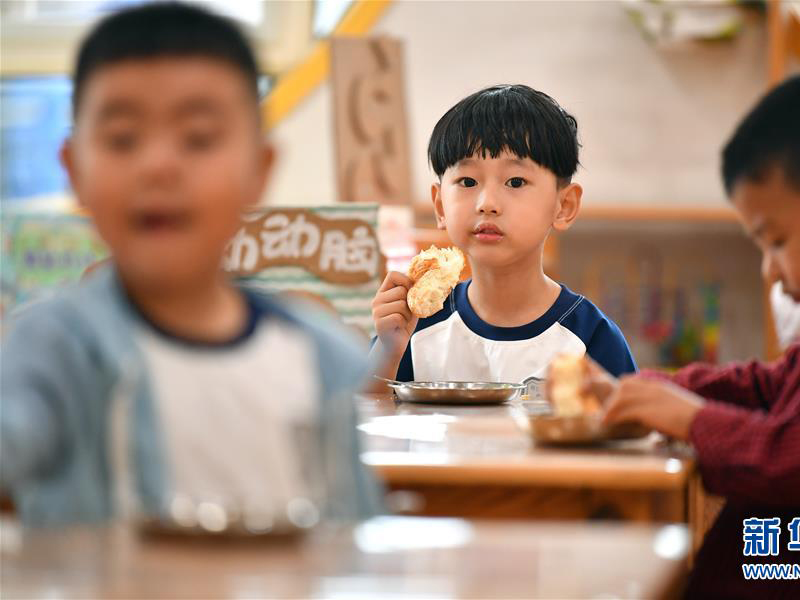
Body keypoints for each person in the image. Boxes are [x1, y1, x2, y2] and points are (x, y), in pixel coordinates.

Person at [0, 2, 381, 527]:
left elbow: (356, 534)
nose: (159, 166)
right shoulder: (59, 347)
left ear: (259, 169)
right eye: (122, 139)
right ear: (74, 169)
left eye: (199, 138)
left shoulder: (321, 357)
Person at [583, 69, 800, 597]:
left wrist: (694, 420)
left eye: (777, 242)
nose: (770, 271)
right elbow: (768, 387)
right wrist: (654, 391)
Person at [369, 85, 636, 389]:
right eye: (467, 181)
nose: (487, 203)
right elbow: (354, 413)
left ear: (564, 206)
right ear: (440, 206)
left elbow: (630, 417)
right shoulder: (415, 327)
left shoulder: (591, 338)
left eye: (515, 181)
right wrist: (388, 352)